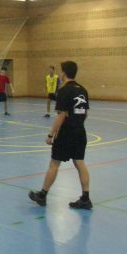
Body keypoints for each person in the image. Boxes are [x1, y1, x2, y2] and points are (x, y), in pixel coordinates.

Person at [29, 60, 92, 210]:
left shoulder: (64, 90)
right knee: (80, 163)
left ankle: (42, 195)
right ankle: (86, 198)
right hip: (80, 131)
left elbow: (61, 115)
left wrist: (51, 135)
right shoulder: (82, 90)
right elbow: (85, 113)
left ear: (64, 73)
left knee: (54, 163)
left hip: (66, 133)